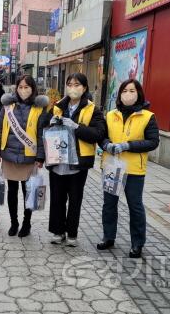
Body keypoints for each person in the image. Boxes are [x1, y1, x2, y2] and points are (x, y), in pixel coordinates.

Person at [97, 79, 159, 258]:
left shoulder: (147, 116)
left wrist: (128, 146)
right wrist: (107, 145)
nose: (128, 94)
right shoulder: (110, 115)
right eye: (124, 91)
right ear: (120, 94)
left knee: (135, 206)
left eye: (132, 90)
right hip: (111, 166)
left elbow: (153, 141)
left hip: (134, 169)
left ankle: (137, 243)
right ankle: (108, 237)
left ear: (139, 93)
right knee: (109, 204)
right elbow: (102, 136)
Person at [45, 73, 106, 247]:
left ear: (84, 88)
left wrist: (77, 127)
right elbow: (44, 127)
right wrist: (50, 122)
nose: (73, 87)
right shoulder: (57, 106)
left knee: (75, 199)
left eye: (77, 84)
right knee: (57, 198)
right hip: (58, 159)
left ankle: (72, 233)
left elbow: (98, 134)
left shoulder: (93, 109)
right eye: (70, 84)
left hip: (78, 163)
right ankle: (58, 231)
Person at [0, 75, 49, 237]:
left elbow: (40, 135)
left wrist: (40, 157)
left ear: (33, 89)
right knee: (12, 191)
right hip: (9, 155)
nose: (23, 90)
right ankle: (14, 222)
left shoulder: (39, 109)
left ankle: (26, 223)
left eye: (27, 87)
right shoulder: (8, 107)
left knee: (28, 191)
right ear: (16, 88)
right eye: (21, 87)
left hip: (29, 157)